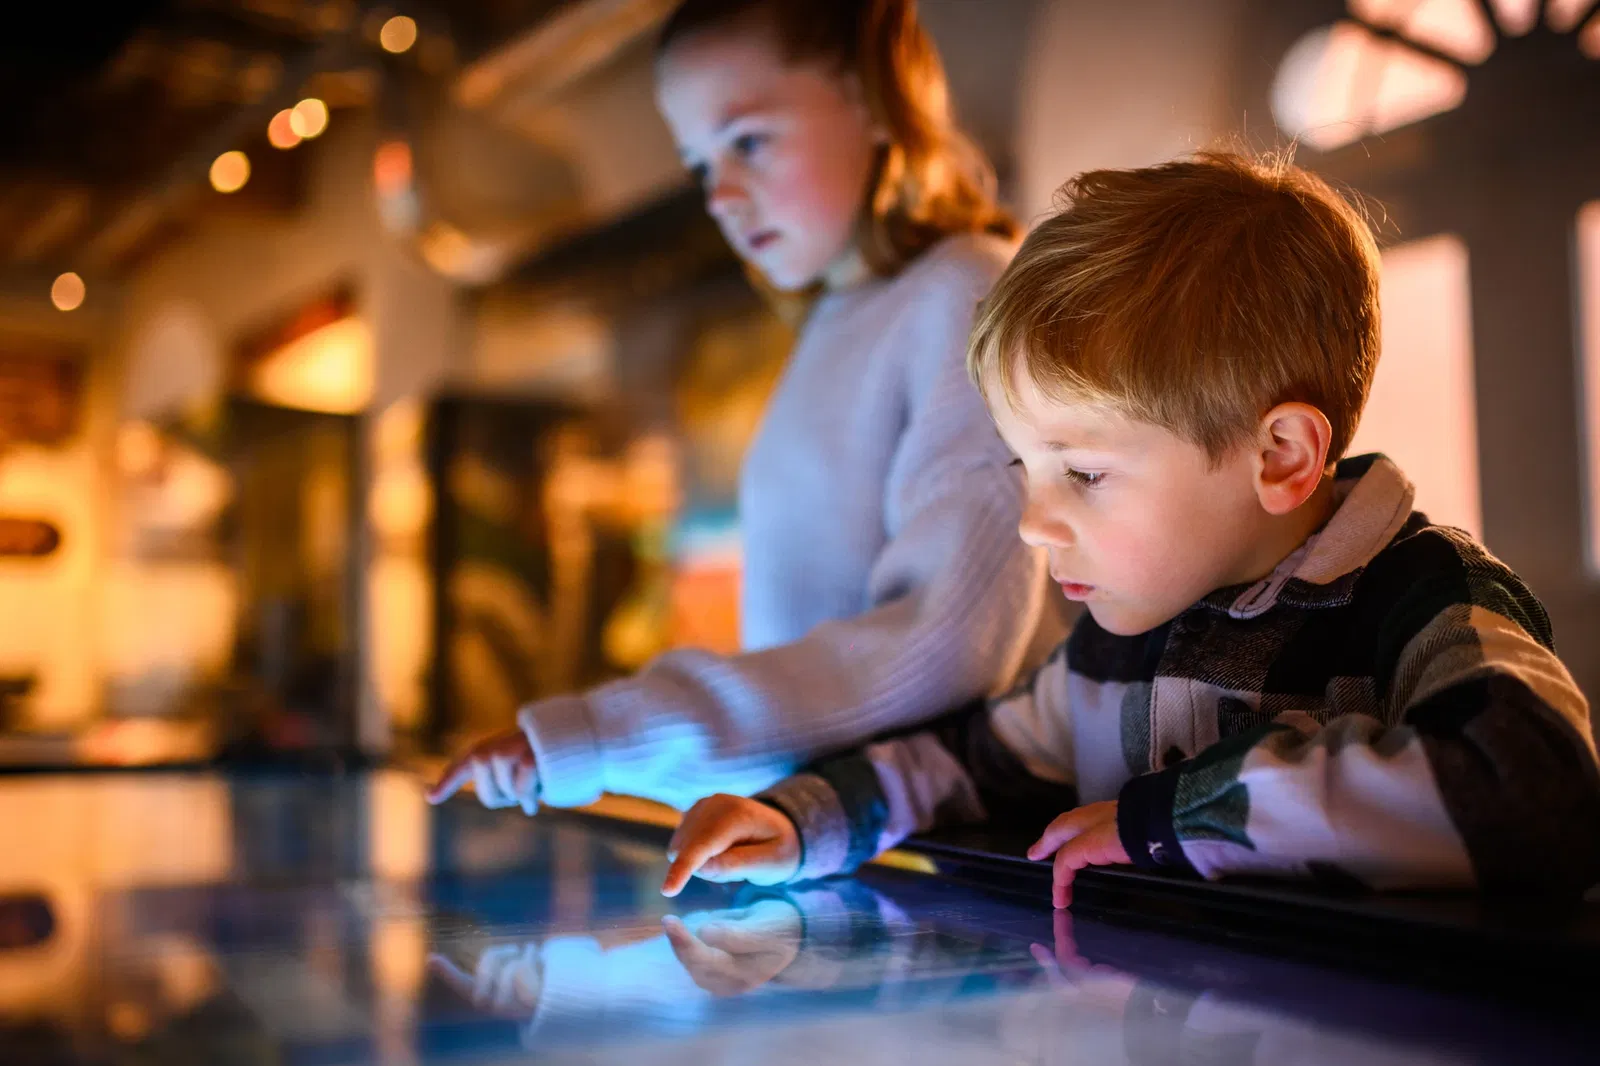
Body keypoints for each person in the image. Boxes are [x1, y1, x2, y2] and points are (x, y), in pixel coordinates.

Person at [659, 151, 1600, 906]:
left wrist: (1173, 821)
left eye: (1086, 473)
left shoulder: (1427, 599)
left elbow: (1535, 790)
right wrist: (799, 819)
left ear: (1278, 456)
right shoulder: (1112, 647)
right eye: (1025, 467)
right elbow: (964, 761)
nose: (1033, 524)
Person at [427, 0, 1062, 814]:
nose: (721, 195)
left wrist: (610, 730)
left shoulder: (965, 285)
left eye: (749, 141)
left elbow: (945, 643)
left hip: (969, 841)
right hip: (849, 829)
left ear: (875, 101)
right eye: (700, 166)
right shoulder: (839, 321)